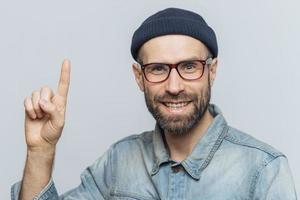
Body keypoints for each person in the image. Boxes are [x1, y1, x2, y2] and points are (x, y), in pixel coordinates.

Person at [12, 7, 297, 200]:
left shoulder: (263, 169)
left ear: (212, 71)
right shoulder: (118, 162)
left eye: (189, 66)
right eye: (158, 69)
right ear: (139, 77)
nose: (174, 87)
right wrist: (41, 151)